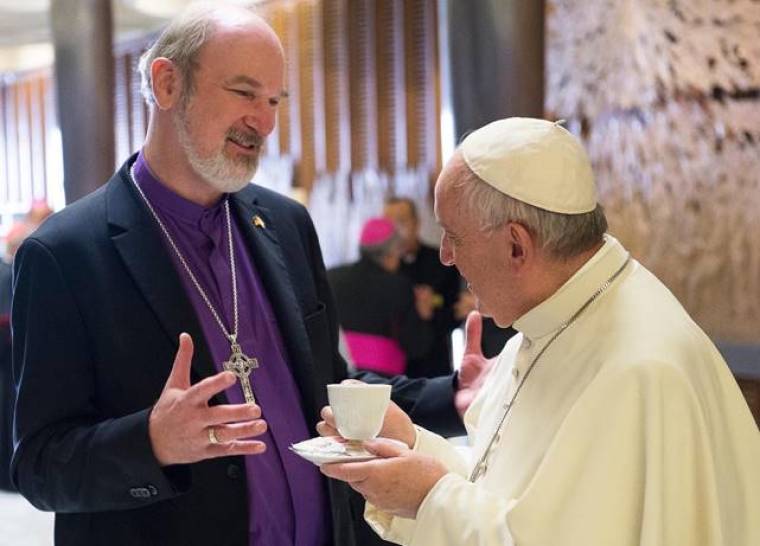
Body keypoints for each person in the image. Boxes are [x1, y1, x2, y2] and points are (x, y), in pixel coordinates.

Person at [9, 5, 470, 545]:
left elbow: (331, 387)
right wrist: (152, 441)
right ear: (167, 83)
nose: (265, 121)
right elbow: (41, 466)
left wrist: (455, 395)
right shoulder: (65, 254)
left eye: (274, 101)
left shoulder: (285, 223)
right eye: (245, 93)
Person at [319, 117, 760, 546]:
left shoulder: (638, 370)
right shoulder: (552, 317)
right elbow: (506, 492)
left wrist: (429, 496)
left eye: (455, 236)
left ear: (516, 245)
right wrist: (413, 446)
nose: (447, 257)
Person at [328, 217, 434, 377]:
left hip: (337, 374)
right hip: (382, 381)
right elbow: (415, 346)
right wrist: (425, 316)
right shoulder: (399, 285)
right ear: (391, 253)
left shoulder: (332, 277)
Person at [382, 198, 460, 378]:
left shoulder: (442, 261)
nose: (395, 229)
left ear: (416, 223)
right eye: (388, 222)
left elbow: (455, 313)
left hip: (433, 366)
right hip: (390, 370)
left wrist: (429, 314)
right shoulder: (380, 270)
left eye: (401, 221)